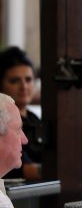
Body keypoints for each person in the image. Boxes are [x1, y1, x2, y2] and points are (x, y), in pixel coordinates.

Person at [0, 47, 45, 179]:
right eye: (14, 81)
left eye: (28, 79)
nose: (24, 86)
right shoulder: (4, 121)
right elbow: (24, 169)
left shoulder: (34, 118)